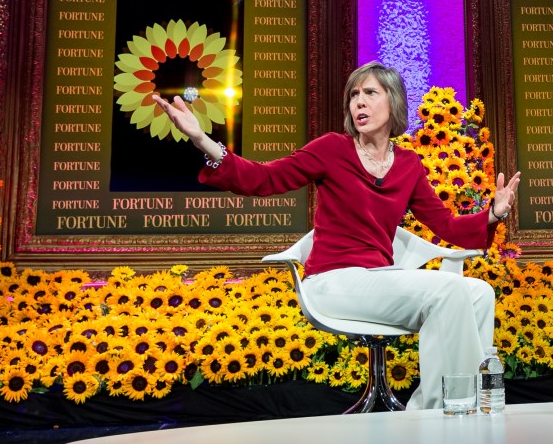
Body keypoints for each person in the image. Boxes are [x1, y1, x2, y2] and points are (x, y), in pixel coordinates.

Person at [152, 62, 519, 411]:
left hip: (377, 280)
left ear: (393, 101)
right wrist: (202, 139)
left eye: (370, 93)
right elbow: (263, 178)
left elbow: (448, 227)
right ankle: (435, 430)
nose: (359, 101)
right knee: (451, 289)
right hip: (332, 281)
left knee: (478, 293)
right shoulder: (332, 149)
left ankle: (443, 414)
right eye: (354, 94)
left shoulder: (408, 165)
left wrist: (494, 213)